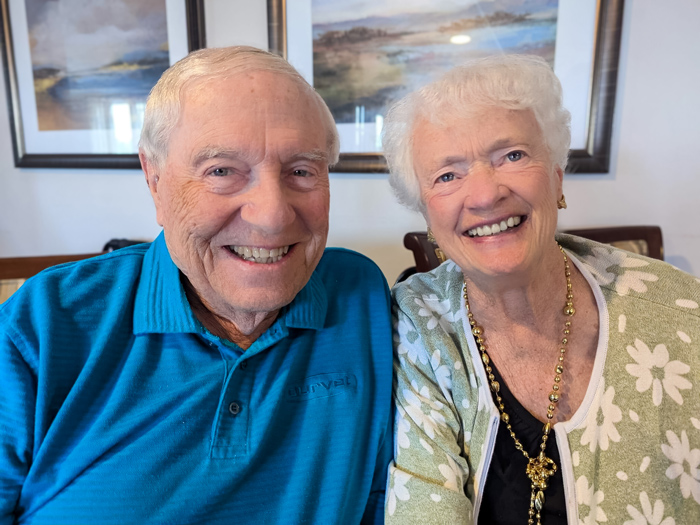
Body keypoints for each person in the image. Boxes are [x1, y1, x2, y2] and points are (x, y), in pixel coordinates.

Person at [0, 46, 393, 524]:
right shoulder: (45, 322)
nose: (271, 216)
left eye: (301, 171)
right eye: (222, 171)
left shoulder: (361, 297)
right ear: (155, 180)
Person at [382, 55, 700, 524]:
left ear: (556, 176)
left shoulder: (680, 310)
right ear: (427, 215)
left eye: (511, 156)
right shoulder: (418, 325)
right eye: (448, 175)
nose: (485, 195)